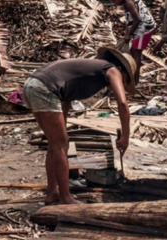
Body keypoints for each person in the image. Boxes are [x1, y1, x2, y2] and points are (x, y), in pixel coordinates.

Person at [23, 48, 136, 205]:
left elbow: (66, 99)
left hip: (32, 85)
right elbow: (123, 103)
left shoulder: (92, 72)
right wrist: (125, 136)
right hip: (44, 88)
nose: (123, 83)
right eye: (125, 80)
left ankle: (52, 193)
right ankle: (65, 197)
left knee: (55, 144)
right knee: (61, 145)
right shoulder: (112, 70)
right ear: (121, 70)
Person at [108, 0, 156, 84]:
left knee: (136, 54)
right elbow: (130, 21)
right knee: (133, 52)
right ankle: (132, 79)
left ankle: (135, 82)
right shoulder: (126, 1)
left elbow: (137, 20)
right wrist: (127, 33)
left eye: (114, 0)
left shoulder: (129, 2)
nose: (114, 3)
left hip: (145, 28)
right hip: (140, 27)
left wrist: (129, 34)